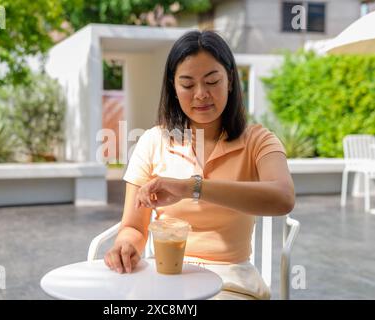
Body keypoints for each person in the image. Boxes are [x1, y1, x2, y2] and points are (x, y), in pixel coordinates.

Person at [104, 30, 295, 300]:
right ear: (173, 86)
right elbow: (134, 227)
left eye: (212, 81)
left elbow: (283, 198)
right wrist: (125, 245)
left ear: (229, 80)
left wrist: (191, 188)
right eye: (187, 84)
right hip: (167, 280)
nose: (201, 94)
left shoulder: (258, 141)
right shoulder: (153, 141)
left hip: (230, 281)